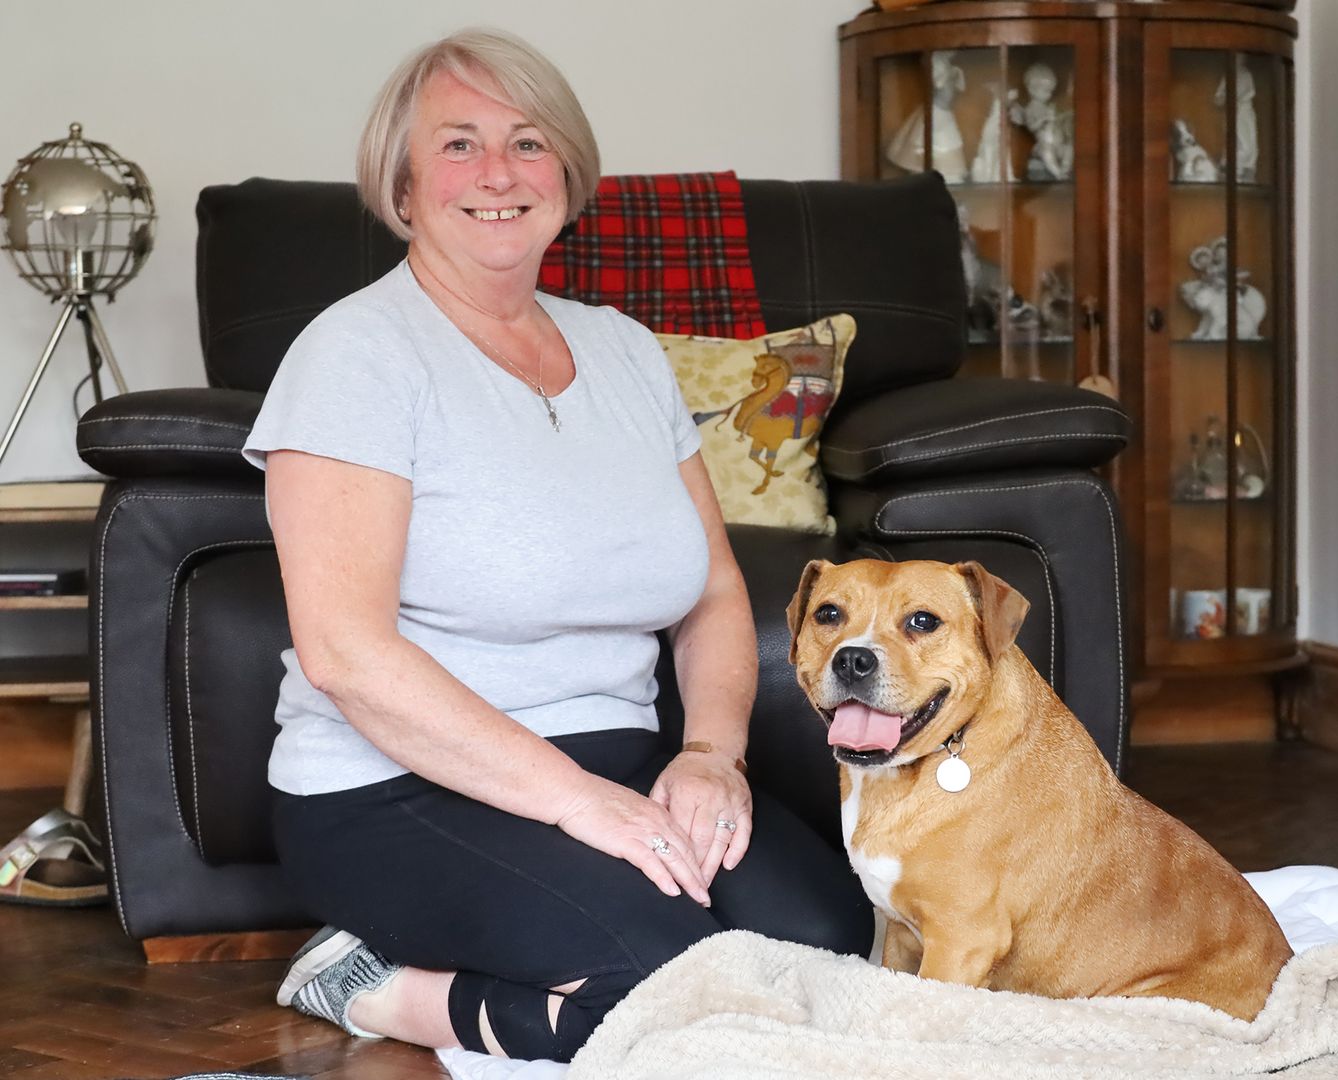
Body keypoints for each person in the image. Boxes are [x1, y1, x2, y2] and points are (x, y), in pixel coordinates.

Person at [240, 27, 873, 1065]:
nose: (498, 173)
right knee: (675, 992)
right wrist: (583, 808)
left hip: (617, 752)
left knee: (838, 957)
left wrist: (711, 754)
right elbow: (345, 655)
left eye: (528, 142)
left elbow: (712, 587)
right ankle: (373, 986)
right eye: (458, 144)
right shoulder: (354, 355)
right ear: (401, 182)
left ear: (568, 177)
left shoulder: (624, 351)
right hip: (393, 790)